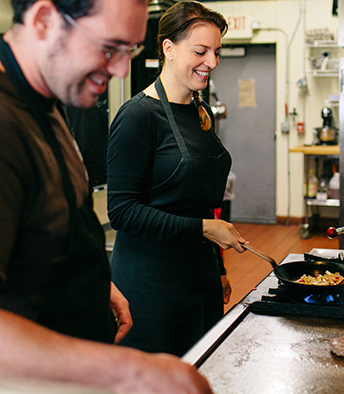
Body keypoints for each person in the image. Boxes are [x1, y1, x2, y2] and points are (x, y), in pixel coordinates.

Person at [0, 0, 213, 392]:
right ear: (45, 20)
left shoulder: (42, 98)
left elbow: (36, 224)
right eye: (109, 48)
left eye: (130, 51)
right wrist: (130, 371)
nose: (121, 69)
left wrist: (91, 281)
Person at [106, 0, 246, 357]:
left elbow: (200, 202)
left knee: (199, 368)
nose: (212, 63)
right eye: (200, 51)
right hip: (151, 287)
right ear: (168, 48)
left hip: (198, 279)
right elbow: (122, 211)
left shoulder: (202, 111)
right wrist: (203, 229)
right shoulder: (137, 116)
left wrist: (217, 267)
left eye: (216, 52)